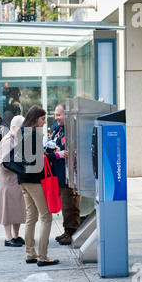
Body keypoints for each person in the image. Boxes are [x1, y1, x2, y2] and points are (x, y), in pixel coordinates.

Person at [17, 105, 59, 266]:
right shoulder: (33, 133)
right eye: (42, 119)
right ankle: (42, 256)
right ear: (35, 119)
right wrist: (56, 155)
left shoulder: (22, 132)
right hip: (34, 179)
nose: (44, 122)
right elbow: (36, 159)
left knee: (31, 218)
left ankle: (30, 254)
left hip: (23, 179)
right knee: (46, 216)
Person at [49, 103, 81, 245]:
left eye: (58, 115)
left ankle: (72, 232)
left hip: (70, 175)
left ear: (66, 115)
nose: (56, 118)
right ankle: (67, 230)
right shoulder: (60, 129)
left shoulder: (73, 129)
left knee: (70, 204)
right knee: (66, 204)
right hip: (61, 174)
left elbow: (70, 149)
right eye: (55, 115)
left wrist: (58, 150)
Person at [0, 115, 26, 247]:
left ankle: (15, 235)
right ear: (13, 127)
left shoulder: (17, 139)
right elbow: (4, 162)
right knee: (7, 210)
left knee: (17, 210)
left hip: (15, 181)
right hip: (8, 182)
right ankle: (8, 238)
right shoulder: (7, 141)